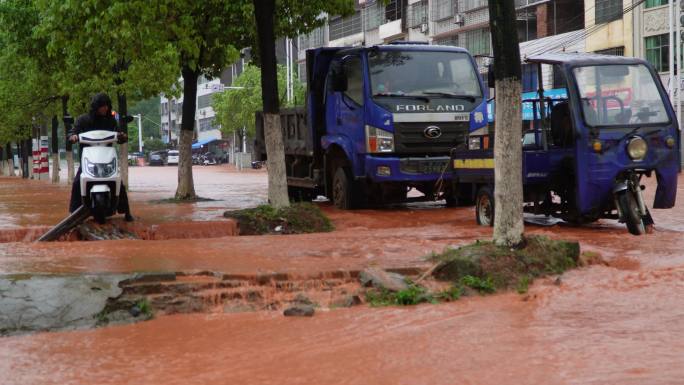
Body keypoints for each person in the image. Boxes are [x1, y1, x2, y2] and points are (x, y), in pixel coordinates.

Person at [68, 92, 134, 222]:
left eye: (107, 105)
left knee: (119, 183)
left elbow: (119, 133)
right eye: (102, 106)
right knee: (76, 183)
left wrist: (122, 136)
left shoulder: (111, 121)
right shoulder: (83, 120)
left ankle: (127, 212)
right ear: (96, 106)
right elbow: (73, 132)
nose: (105, 108)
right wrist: (73, 136)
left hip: (106, 159)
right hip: (89, 160)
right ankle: (73, 212)